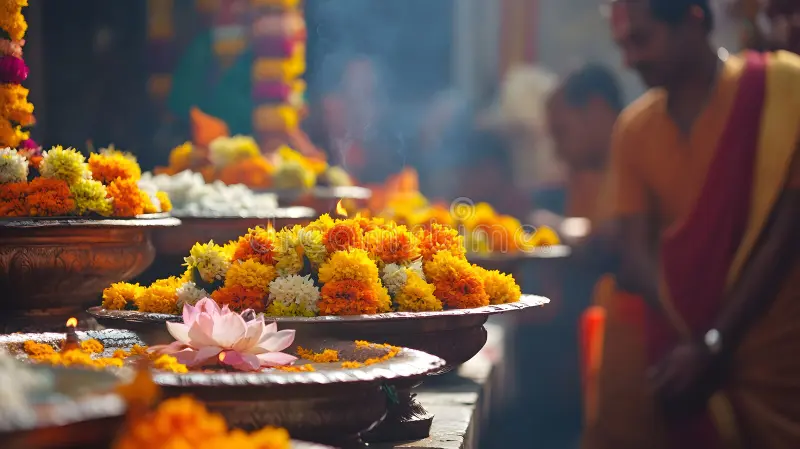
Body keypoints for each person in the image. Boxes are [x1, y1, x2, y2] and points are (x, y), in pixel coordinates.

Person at [584, 1, 800, 448]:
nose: (629, 60)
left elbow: (786, 232)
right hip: (676, 343)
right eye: (622, 46)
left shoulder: (783, 90)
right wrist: (692, 333)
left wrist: (716, 341)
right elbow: (634, 250)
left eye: (641, 40)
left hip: (775, 349)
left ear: (693, 19)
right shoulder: (635, 128)